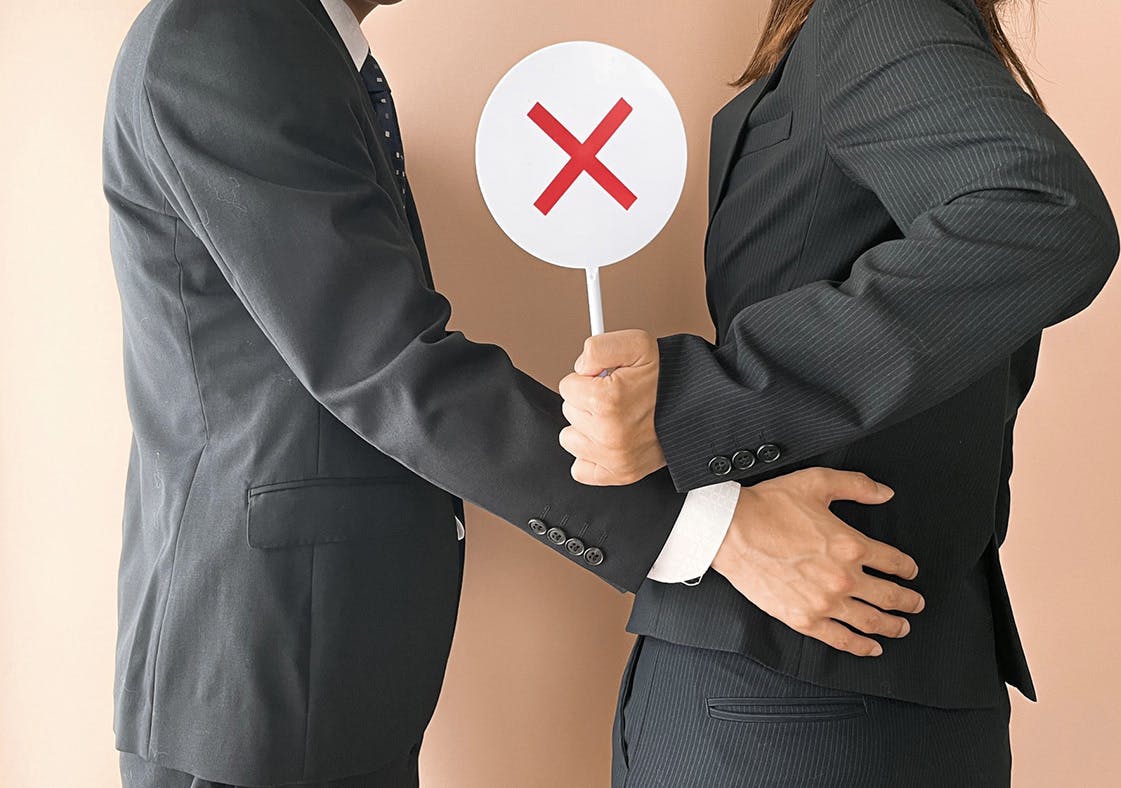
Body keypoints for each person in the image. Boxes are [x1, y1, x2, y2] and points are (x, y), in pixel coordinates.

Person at [104, 0, 929, 786]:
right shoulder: (229, 36)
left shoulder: (300, 47)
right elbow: (388, 364)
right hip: (253, 666)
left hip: (322, 661)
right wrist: (712, 530)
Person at [558, 0, 1120, 785]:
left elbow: (1045, 215)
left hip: (802, 696)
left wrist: (703, 401)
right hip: (835, 680)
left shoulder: (878, 15)